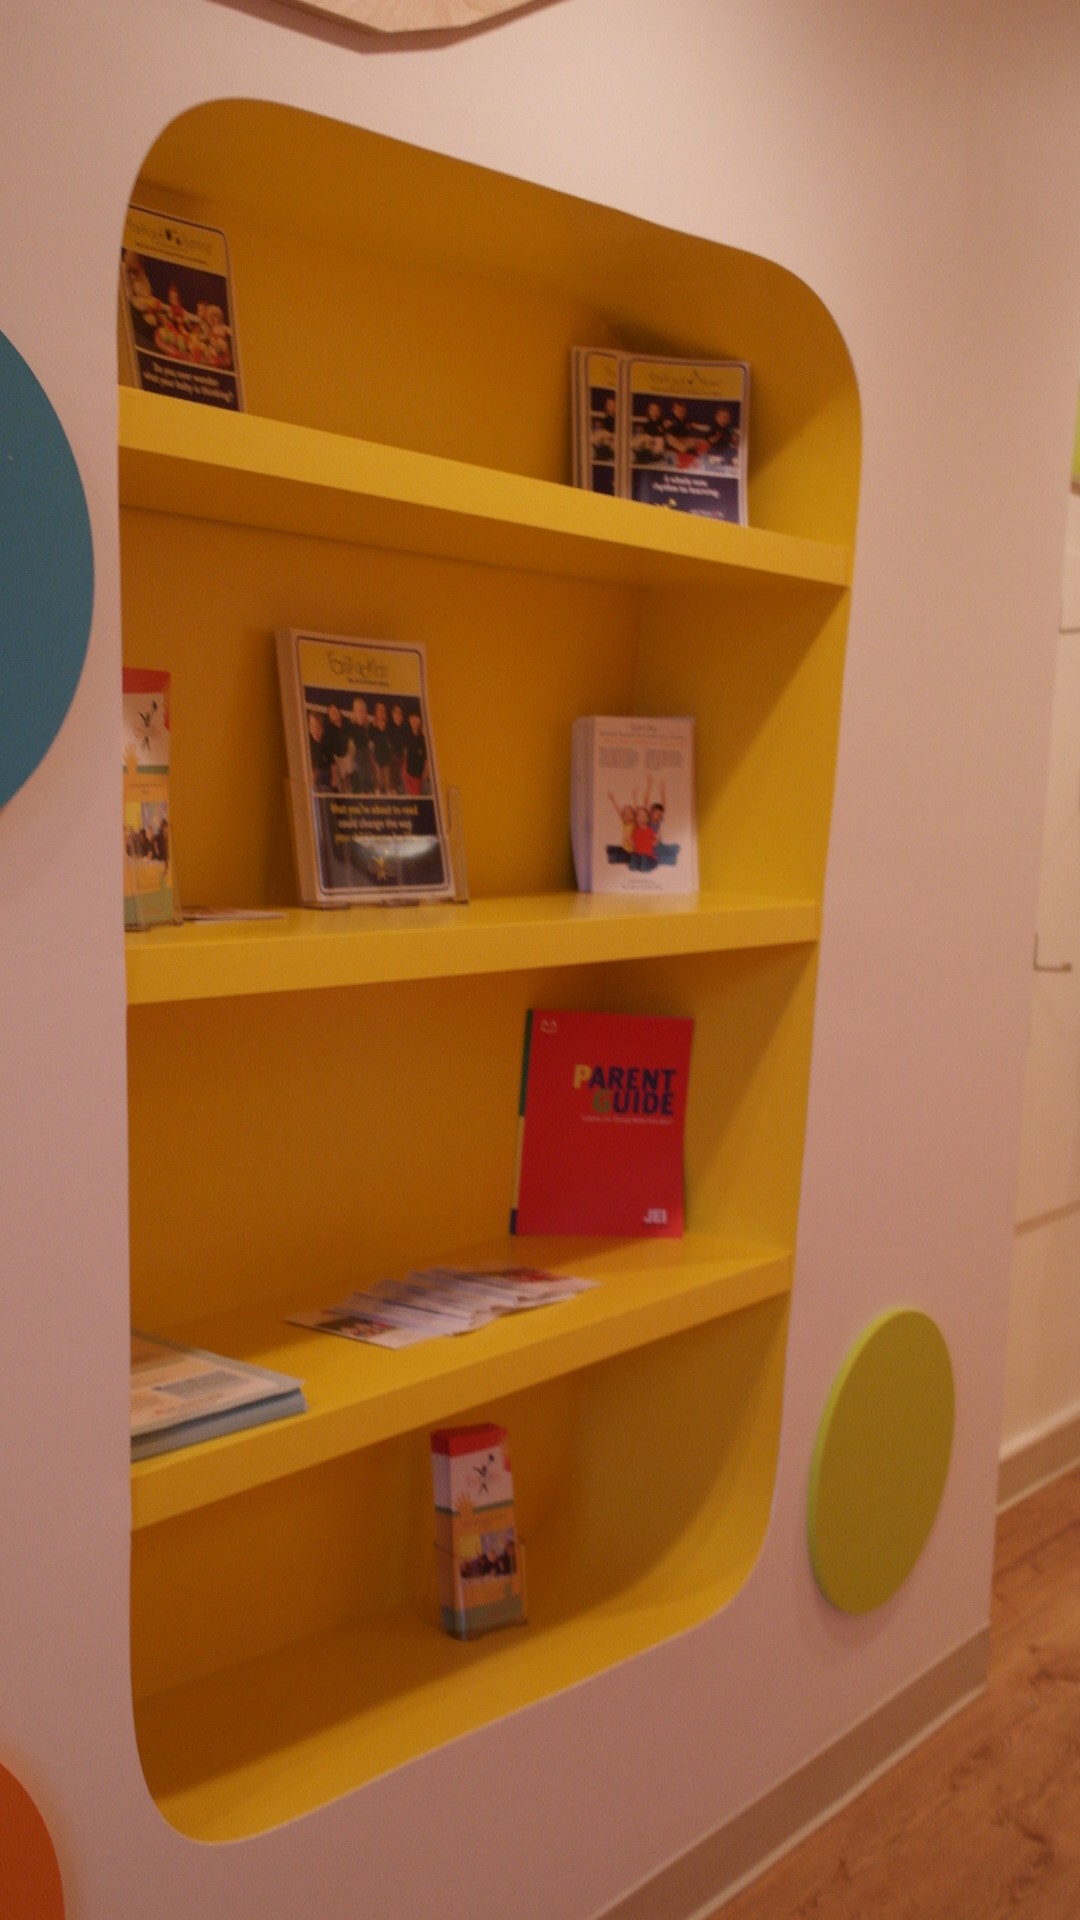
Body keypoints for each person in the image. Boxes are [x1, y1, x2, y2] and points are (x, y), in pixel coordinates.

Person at [402, 709, 429, 794]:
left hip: (418, 774)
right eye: (412, 721)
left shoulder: (423, 739)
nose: (414, 723)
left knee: (416, 794)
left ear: (419, 722)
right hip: (408, 773)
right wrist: (404, 771)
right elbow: (405, 753)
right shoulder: (407, 735)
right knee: (408, 793)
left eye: (416, 721)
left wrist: (425, 771)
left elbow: (426, 758)